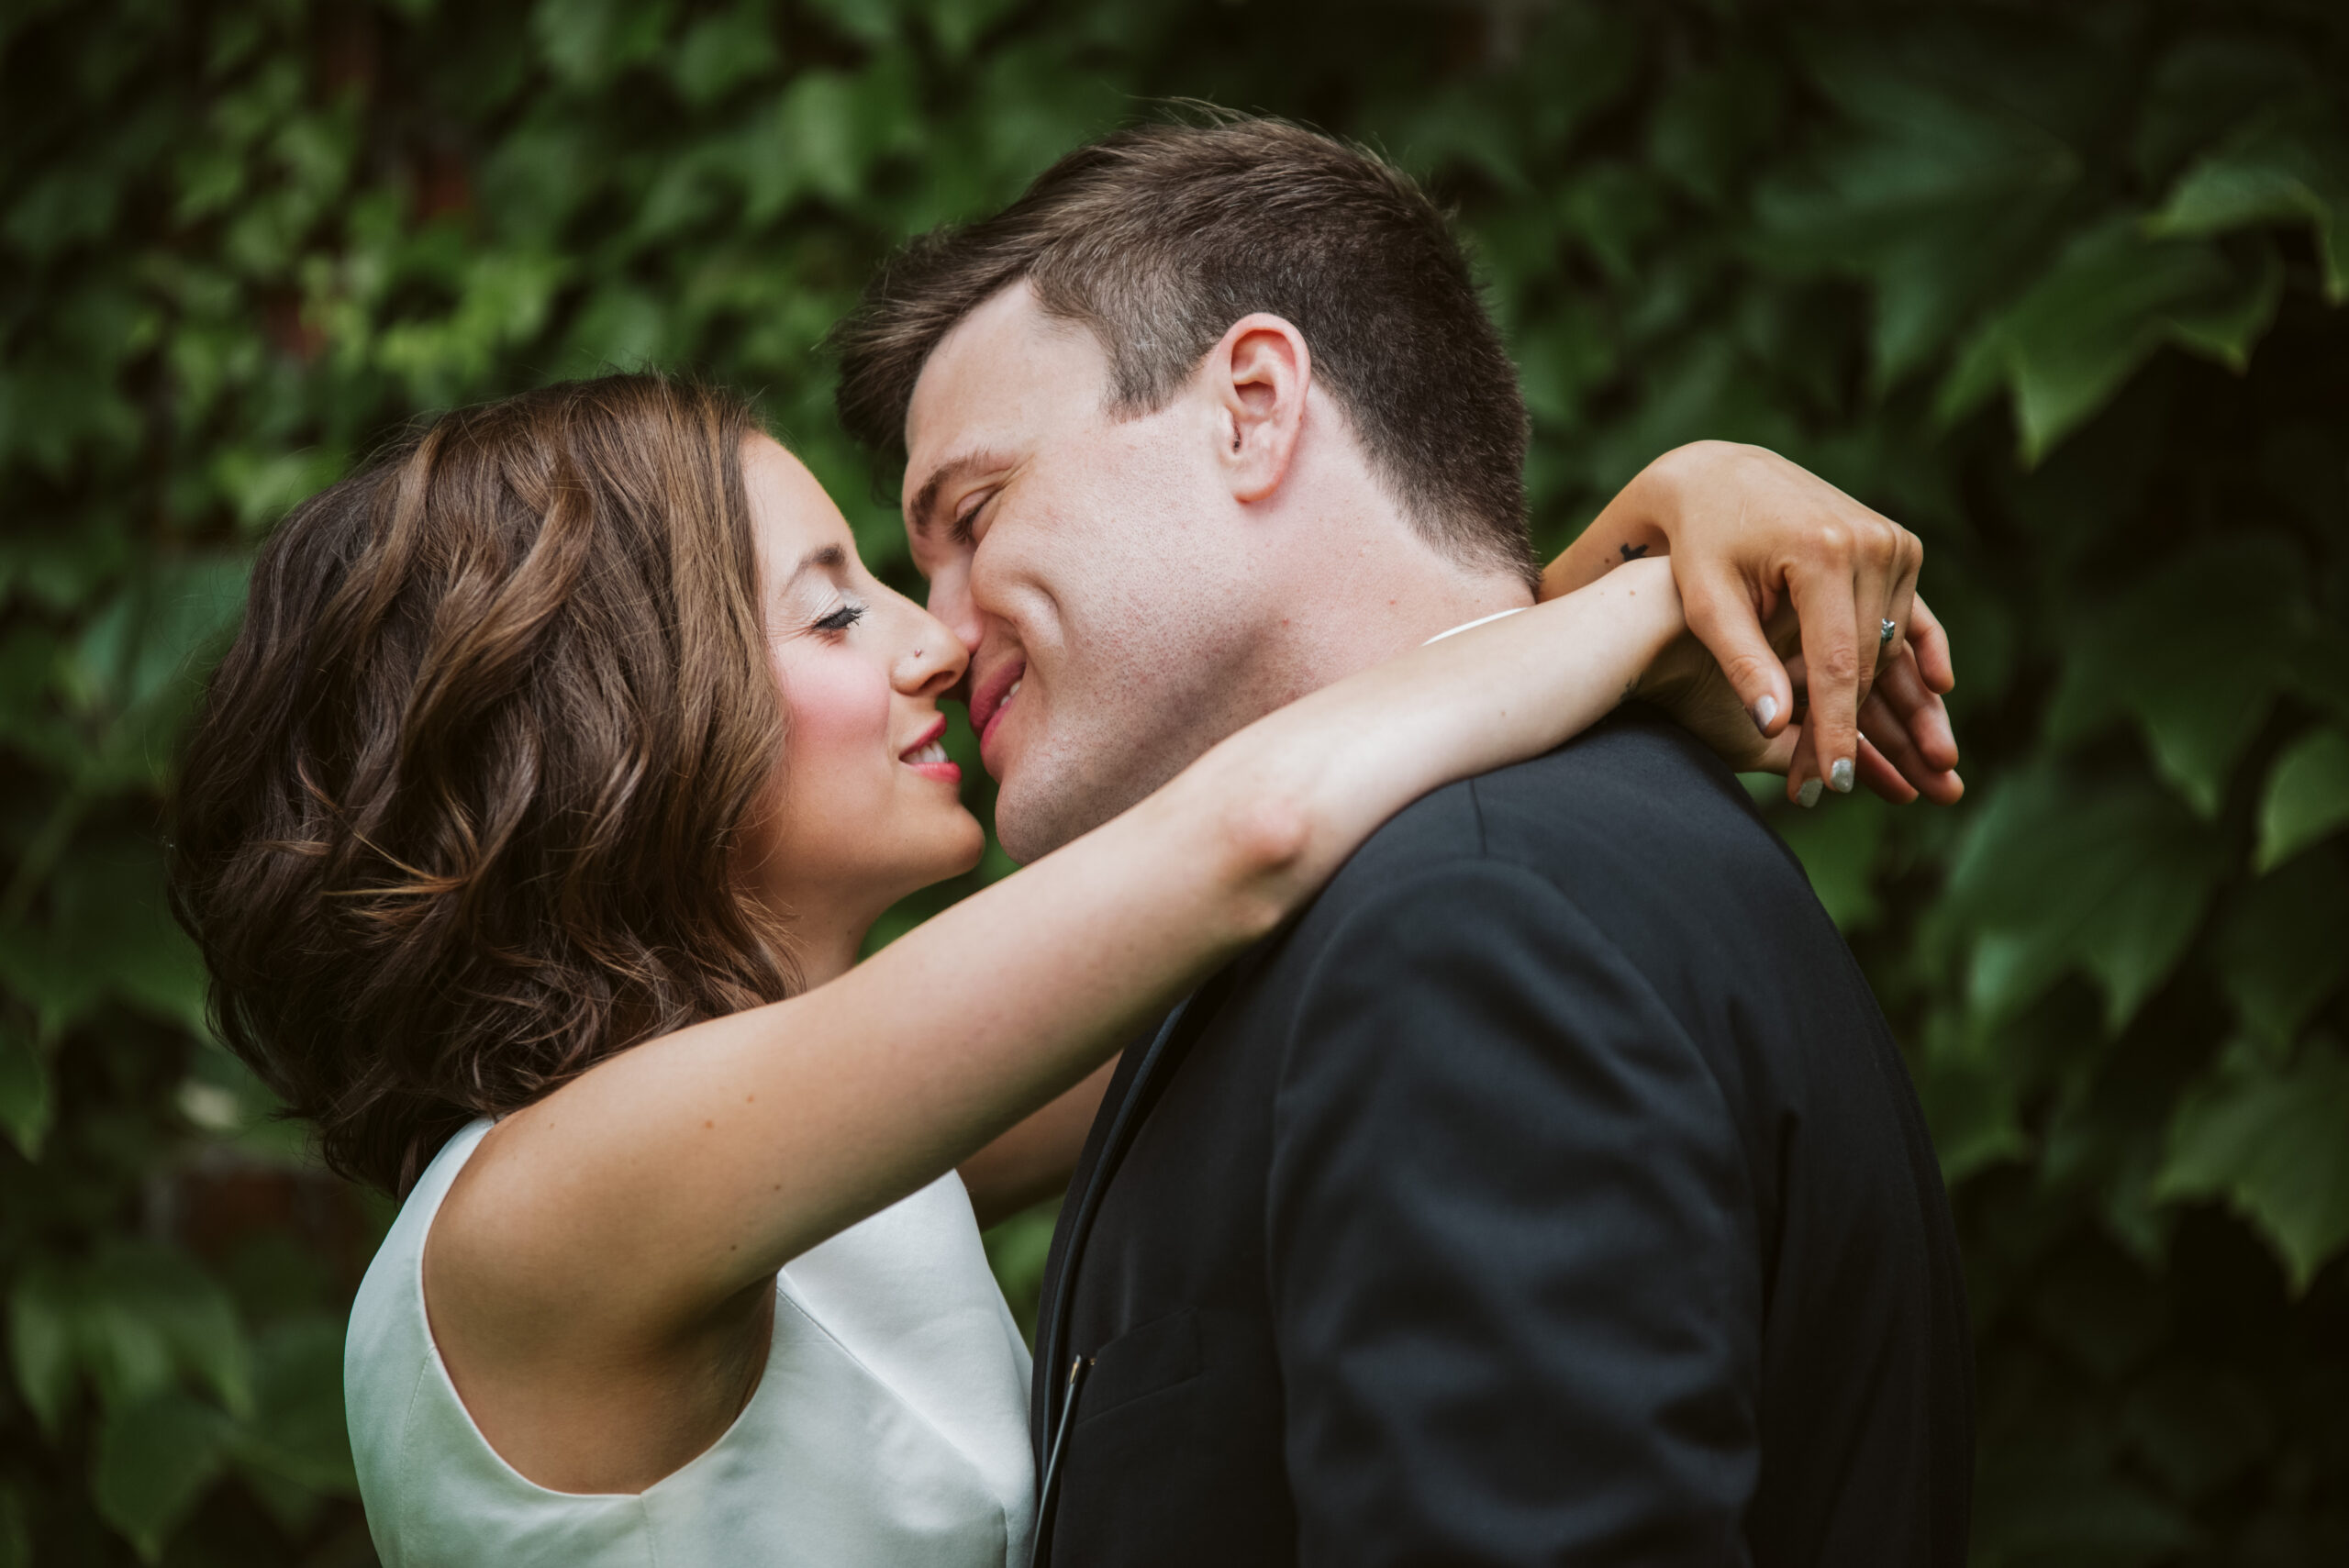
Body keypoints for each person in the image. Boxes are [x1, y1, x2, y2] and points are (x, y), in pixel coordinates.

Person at [166, 370, 1902, 1566]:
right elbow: (1255, 840)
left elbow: (1289, 926)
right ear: (607, 734)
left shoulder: (805, 1167)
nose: (936, 640)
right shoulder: (542, 1215)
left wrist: (1642, 541)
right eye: (834, 607)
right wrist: (1665, 598)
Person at [830, 117, 1974, 1564]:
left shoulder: (1463, 929)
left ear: (1253, 408)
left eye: (976, 512)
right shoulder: (1427, 894)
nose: (938, 632)